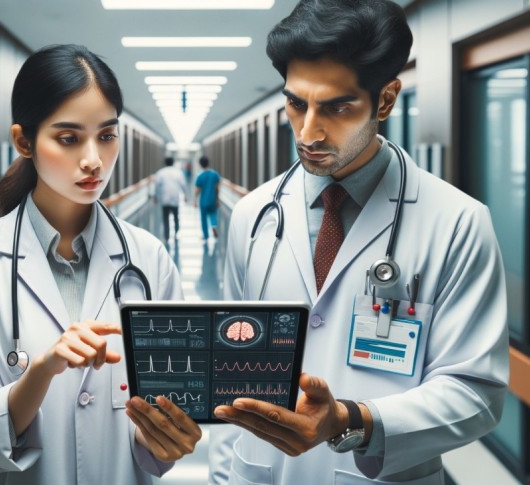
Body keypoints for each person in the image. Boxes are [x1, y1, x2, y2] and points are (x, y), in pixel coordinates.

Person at [210, 1, 509, 483]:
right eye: (296, 104)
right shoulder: (254, 215)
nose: (308, 132)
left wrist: (352, 420)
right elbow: (231, 369)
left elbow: (476, 393)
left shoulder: (457, 222)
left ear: (385, 100)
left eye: (337, 107)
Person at [0, 44, 201, 484]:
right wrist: (39, 374)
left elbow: (166, 407)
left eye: (106, 136)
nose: (93, 160)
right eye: (69, 138)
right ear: (24, 141)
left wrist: (164, 438)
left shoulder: (149, 259)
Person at [153, 156, 187, 242]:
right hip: (175, 198)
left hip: (165, 198)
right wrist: (185, 195)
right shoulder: (178, 172)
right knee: (176, 217)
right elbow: (183, 184)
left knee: (165, 218)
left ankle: (166, 236)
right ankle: (176, 233)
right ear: (173, 162)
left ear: (165, 163)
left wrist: (155, 196)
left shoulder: (161, 172)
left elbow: (156, 185)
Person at [194, 156, 221, 240]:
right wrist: (217, 200)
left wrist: (195, 200)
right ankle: (214, 226)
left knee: (204, 218)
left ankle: (205, 235)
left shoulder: (200, 176)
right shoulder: (215, 174)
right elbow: (217, 188)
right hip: (213, 199)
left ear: (200, 164)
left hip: (203, 201)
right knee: (213, 215)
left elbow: (198, 190)